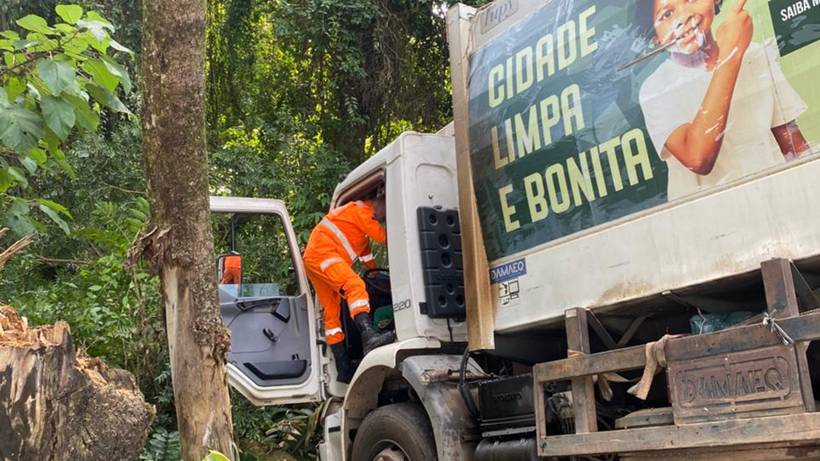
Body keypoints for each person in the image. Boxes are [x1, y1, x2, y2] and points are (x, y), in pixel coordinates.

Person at [637, 0, 811, 201]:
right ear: (654, 37)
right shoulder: (656, 88)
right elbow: (697, 157)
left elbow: (794, 144)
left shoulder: (755, 55)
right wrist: (730, 54)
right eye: (667, 15)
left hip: (779, 201)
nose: (684, 16)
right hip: (714, 222)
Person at [302, 192, 394, 383]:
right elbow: (384, 237)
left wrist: (376, 275)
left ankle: (343, 369)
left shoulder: (358, 228)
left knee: (332, 314)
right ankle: (369, 335)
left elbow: (367, 257)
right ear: (379, 200)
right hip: (323, 254)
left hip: (316, 258)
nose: (383, 218)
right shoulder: (361, 210)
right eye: (385, 213)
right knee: (355, 285)